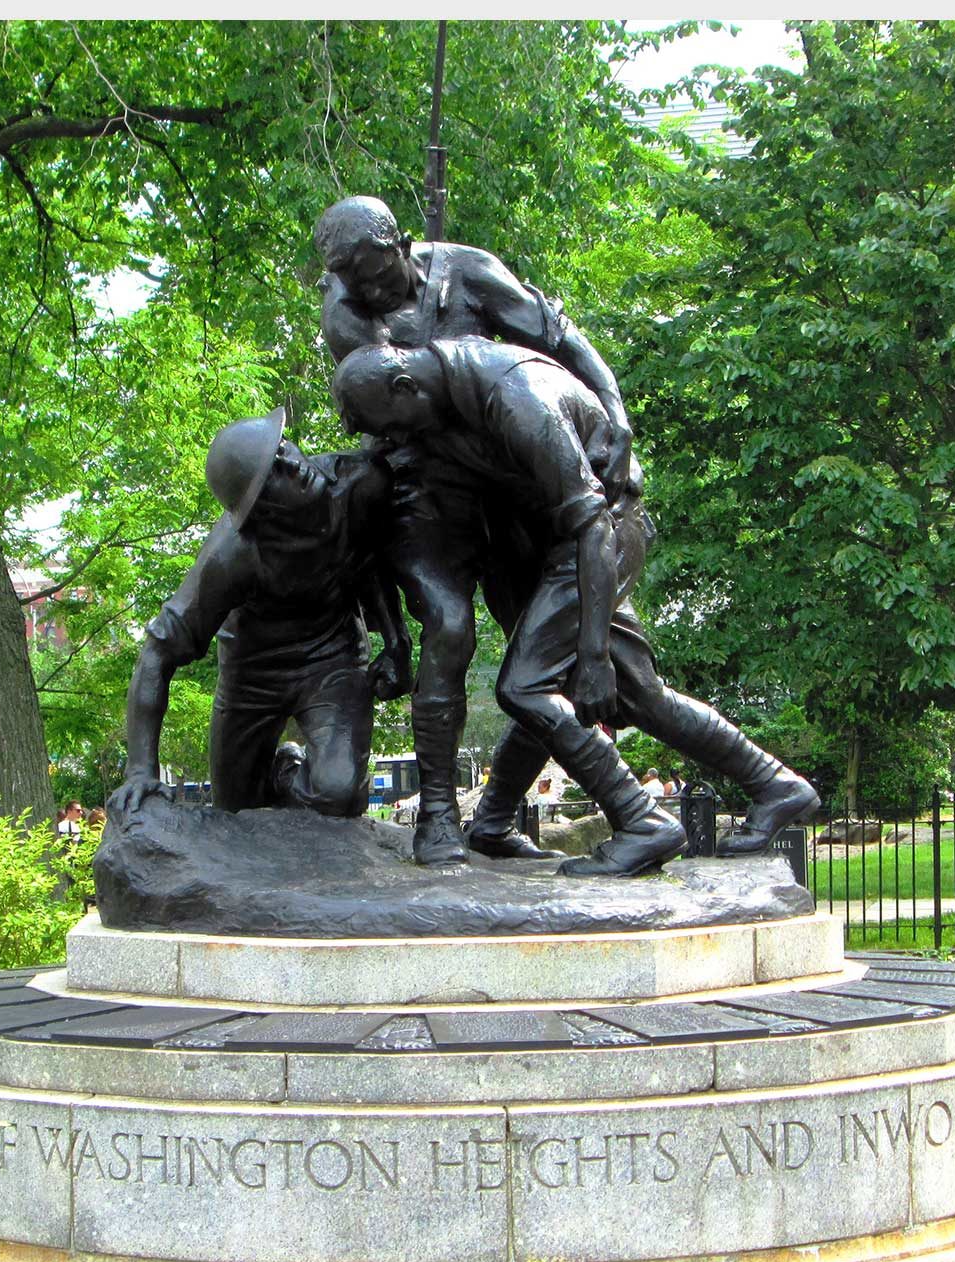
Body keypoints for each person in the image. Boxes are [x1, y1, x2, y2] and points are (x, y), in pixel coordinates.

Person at [333, 338, 818, 876]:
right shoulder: (450, 389)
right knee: (634, 696)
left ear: (405, 388)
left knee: (527, 685)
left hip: (597, 540)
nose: (398, 440)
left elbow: (592, 526)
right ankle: (776, 785)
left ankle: (642, 821)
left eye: (392, 426)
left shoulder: (514, 396)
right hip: (567, 542)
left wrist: (591, 658)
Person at [314, 195, 636, 866]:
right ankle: (436, 814)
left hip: (510, 483)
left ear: (402, 243)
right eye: (356, 281)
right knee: (450, 626)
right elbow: (394, 397)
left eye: (378, 273)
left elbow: (561, 339)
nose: (370, 291)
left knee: (538, 656)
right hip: (423, 489)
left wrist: (614, 409)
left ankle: (492, 820)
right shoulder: (346, 315)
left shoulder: (469, 271)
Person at [108, 409, 410, 824]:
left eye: (284, 450)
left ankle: (293, 779)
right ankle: (284, 768)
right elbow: (157, 654)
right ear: (261, 512)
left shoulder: (361, 483)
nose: (295, 466)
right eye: (275, 474)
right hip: (252, 675)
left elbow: (373, 563)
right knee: (235, 812)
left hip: (332, 657)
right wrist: (140, 770)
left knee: (337, 795)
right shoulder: (231, 557)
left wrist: (396, 643)